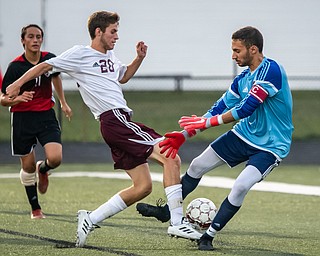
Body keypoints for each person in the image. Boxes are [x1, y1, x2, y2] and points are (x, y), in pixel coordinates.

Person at [4, 11, 202, 247]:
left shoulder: (110, 55)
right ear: (98, 32)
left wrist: (138, 59)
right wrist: (16, 84)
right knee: (171, 156)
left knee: (143, 187)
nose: (117, 36)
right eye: (113, 31)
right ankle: (177, 222)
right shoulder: (80, 53)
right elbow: (45, 65)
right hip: (115, 120)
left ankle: (91, 218)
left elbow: (123, 76)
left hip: (116, 123)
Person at [136, 26, 294, 250]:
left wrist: (206, 123)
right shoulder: (243, 79)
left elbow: (247, 108)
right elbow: (220, 107)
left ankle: (208, 236)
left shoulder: (272, 70)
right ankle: (166, 212)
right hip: (244, 135)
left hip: (271, 147)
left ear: (253, 49)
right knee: (198, 165)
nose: (233, 55)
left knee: (240, 186)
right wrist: (185, 134)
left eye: (237, 51)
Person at [0, 24, 72, 219]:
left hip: (45, 115)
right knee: (27, 166)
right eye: (30, 37)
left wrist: (63, 103)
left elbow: (56, 76)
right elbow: (2, 99)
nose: (35, 40)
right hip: (22, 118)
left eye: (39, 36)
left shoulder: (49, 59)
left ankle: (44, 169)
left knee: (56, 158)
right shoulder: (15, 67)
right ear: (23, 40)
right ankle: (35, 209)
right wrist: (16, 99)